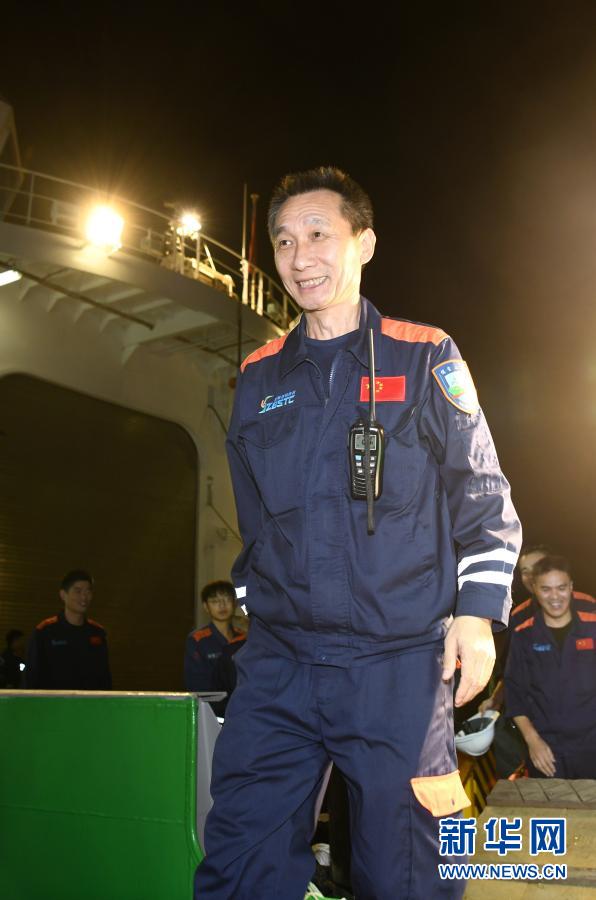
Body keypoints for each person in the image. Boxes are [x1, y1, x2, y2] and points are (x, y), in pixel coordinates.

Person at [195, 167, 521, 900]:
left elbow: (482, 492)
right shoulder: (258, 377)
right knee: (240, 857)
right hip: (280, 664)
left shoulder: (424, 353)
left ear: (364, 243)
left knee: (408, 869)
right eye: (284, 241)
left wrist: (476, 616)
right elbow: (253, 520)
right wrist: (254, 606)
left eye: (319, 234)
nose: (299, 256)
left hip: (397, 664)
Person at [505, 555, 596, 778]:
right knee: (551, 801)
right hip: (547, 751)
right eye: (546, 589)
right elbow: (514, 694)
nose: (555, 597)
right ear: (535, 589)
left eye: (561, 588)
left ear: (571, 587)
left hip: (591, 746)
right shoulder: (523, 635)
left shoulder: (592, 626)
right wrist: (532, 741)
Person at [26, 570, 111, 690]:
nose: (84, 597)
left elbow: (105, 678)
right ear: (63, 595)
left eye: (88, 591)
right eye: (78, 591)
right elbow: (31, 677)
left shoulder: (98, 633)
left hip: (88, 701)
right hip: (54, 701)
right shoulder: (45, 631)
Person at [184, 580, 246, 695]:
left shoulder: (244, 638)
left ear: (235, 603)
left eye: (227, 599)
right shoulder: (197, 640)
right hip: (210, 703)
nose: (222, 605)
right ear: (206, 607)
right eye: (215, 601)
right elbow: (195, 684)